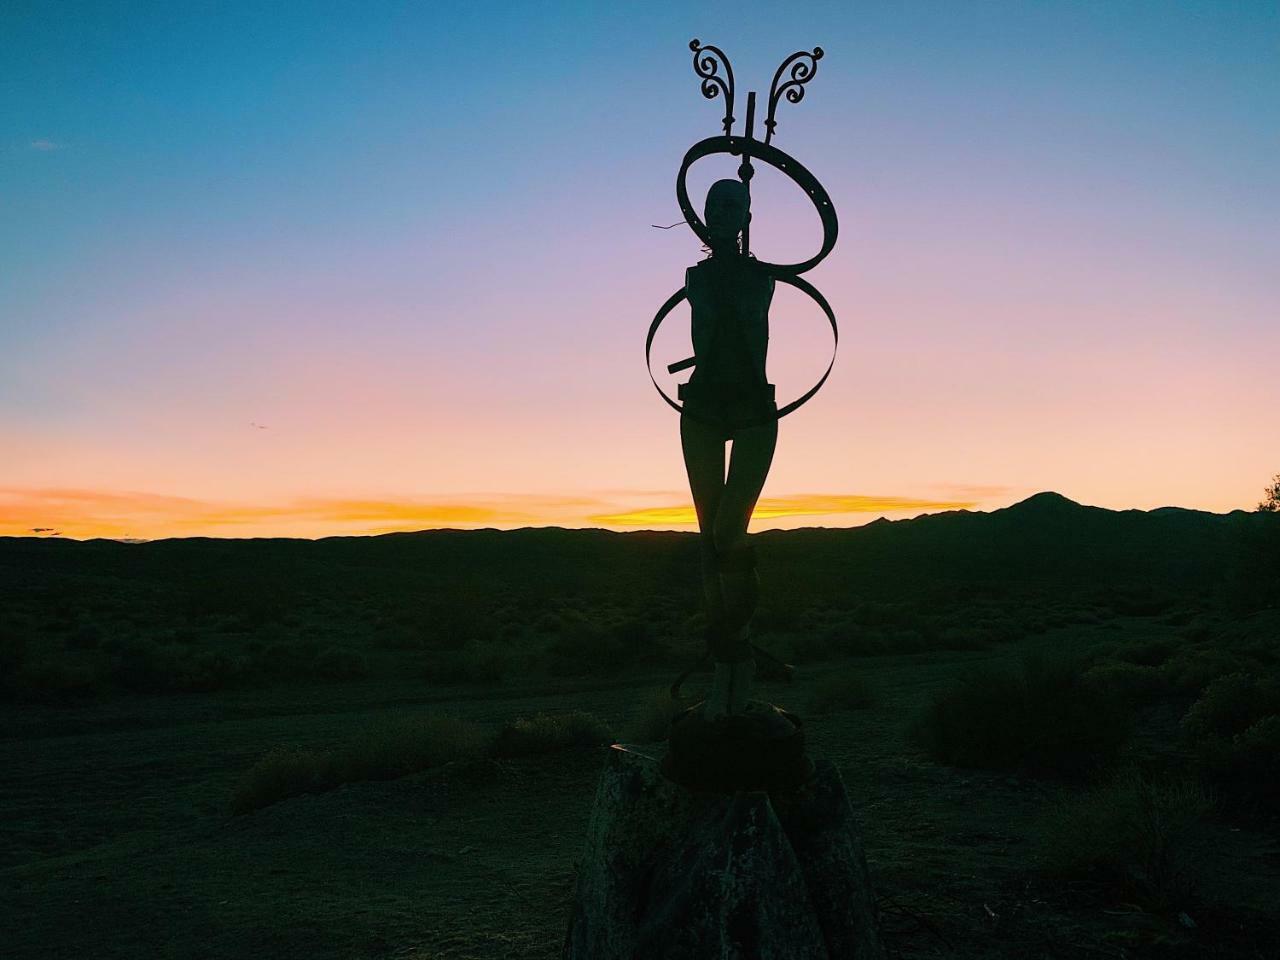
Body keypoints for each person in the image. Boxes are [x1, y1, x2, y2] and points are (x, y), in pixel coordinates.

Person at [678, 178, 778, 721]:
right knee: (708, 542)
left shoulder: (763, 276)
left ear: (745, 215)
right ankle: (727, 676)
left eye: (732, 205)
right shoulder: (696, 276)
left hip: (754, 406)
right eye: (714, 204)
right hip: (703, 405)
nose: (721, 213)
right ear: (702, 213)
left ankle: (741, 664)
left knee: (727, 532)